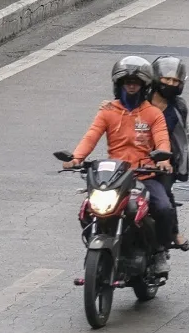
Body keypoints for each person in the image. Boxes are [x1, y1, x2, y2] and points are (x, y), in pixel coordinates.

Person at [62, 57, 176, 268]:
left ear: (143, 85)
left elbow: (162, 139)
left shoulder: (153, 114)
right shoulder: (108, 111)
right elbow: (91, 136)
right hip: (115, 177)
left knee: (164, 208)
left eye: (136, 82)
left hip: (144, 176)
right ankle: (99, 246)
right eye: (127, 82)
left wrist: (163, 159)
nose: (131, 86)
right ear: (120, 84)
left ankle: (160, 251)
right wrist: (76, 158)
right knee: (88, 209)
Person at [150, 55, 189, 252]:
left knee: (164, 196)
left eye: (175, 81)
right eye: (167, 79)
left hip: (165, 161)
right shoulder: (139, 100)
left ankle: (171, 234)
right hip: (133, 159)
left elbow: (184, 134)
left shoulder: (178, 107)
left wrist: (169, 158)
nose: (170, 84)